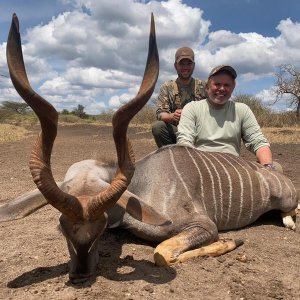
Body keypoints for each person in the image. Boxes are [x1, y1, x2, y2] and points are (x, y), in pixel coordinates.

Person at [177, 65, 274, 168]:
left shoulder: (242, 110)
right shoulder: (192, 108)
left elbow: (258, 141)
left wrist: (268, 167)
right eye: (217, 84)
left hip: (233, 167)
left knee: (276, 169)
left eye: (227, 85)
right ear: (207, 87)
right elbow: (184, 142)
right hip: (202, 167)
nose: (222, 88)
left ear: (233, 88)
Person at [152, 47, 207, 148]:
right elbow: (160, 114)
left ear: (194, 65)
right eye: (182, 64)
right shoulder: (167, 87)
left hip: (200, 132)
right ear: (175, 66)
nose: (185, 67)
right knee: (158, 127)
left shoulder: (203, 85)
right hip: (178, 131)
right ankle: (170, 157)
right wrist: (171, 116)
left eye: (189, 64)